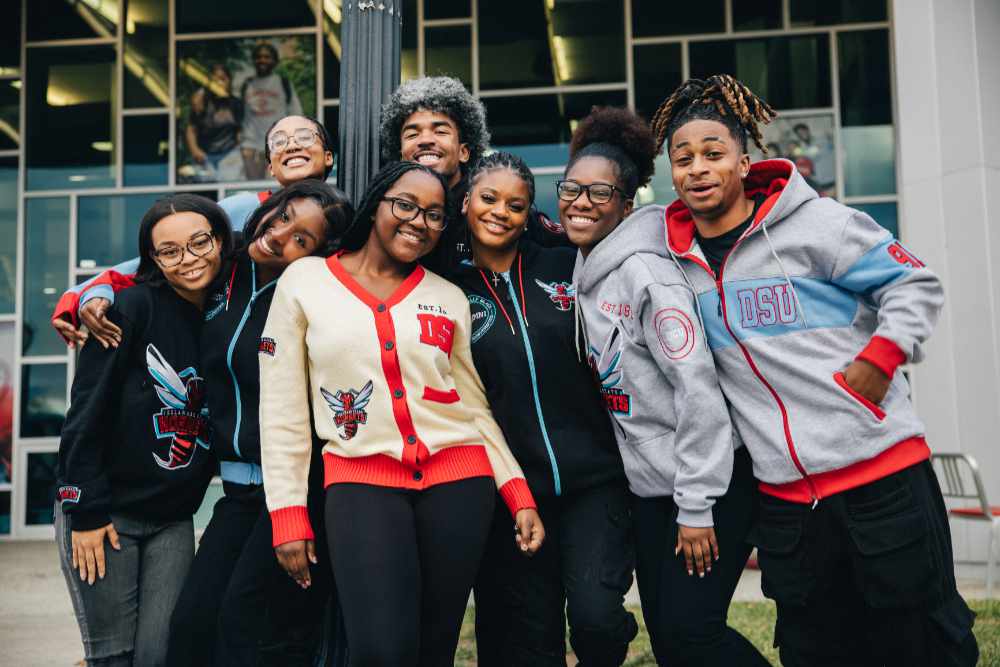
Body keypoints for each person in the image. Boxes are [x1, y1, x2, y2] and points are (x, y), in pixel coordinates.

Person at [650, 74, 978, 666]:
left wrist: (882, 357)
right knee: (814, 650)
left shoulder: (817, 225)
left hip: (881, 480)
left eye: (713, 153)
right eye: (683, 158)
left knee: (920, 646)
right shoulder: (676, 263)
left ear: (745, 161)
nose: (698, 167)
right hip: (788, 505)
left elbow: (913, 282)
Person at [259, 160, 544, 666]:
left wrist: (515, 489)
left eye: (434, 215)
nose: (418, 222)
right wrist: (287, 514)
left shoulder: (447, 296)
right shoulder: (305, 282)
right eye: (406, 205)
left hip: (459, 482)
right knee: (381, 651)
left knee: (432, 652)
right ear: (377, 204)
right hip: (359, 481)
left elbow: (472, 404)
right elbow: (282, 409)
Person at [564, 106, 770, 666]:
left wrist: (698, 505)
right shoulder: (585, 273)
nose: (581, 201)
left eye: (600, 193)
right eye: (571, 188)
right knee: (674, 643)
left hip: (707, 483)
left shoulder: (645, 274)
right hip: (652, 490)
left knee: (692, 634)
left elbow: (697, 388)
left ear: (627, 205)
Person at [448, 152, 637, 666]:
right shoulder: (445, 290)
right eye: (488, 199)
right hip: (508, 492)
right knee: (526, 646)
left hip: (594, 482)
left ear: (530, 213)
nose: (499, 213)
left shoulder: (566, 266)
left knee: (597, 623)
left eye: (516, 204)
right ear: (465, 202)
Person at [164, 181, 354, 666]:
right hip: (237, 492)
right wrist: (91, 292)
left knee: (246, 628)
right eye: (284, 215)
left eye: (302, 238)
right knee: (190, 627)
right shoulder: (225, 270)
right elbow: (142, 267)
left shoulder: (314, 295)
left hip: (295, 490)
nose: (279, 233)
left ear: (317, 255)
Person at [55, 194, 232, 667]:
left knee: (161, 656)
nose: (188, 258)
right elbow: (85, 413)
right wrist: (85, 510)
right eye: (169, 250)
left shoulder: (228, 317)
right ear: (152, 258)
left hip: (172, 518)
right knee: (114, 656)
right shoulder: (130, 307)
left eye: (199, 242)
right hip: (108, 513)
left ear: (220, 241)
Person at [50, 114, 334, 348]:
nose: (293, 145)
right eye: (279, 141)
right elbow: (164, 255)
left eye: (305, 137)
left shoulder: (344, 218)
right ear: (270, 166)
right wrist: (89, 291)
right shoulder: (244, 208)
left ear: (329, 156)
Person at [379, 76, 569, 265]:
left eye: (440, 132)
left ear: (464, 152)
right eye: (412, 134)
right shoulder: (389, 212)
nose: (425, 140)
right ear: (401, 155)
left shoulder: (494, 206)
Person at [240, 42, 303, 180]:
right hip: (251, 147)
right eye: (259, 57)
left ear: (274, 61)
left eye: (267, 57)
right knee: (254, 190)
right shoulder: (247, 84)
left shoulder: (282, 82)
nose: (262, 60)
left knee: (275, 187)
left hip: (277, 144)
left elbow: (296, 113)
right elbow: (240, 115)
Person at [185, 63, 245, 183]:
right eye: (215, 79)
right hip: (205, 155)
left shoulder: (235, 104)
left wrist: (241, 150)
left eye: (223, 79)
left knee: (229, 190)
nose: (219, 82)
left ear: (229, 81)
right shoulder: (202, 102)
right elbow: (191, 129)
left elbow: (241, 130)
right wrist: (195, 150)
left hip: (229, 154)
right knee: (207, 194)